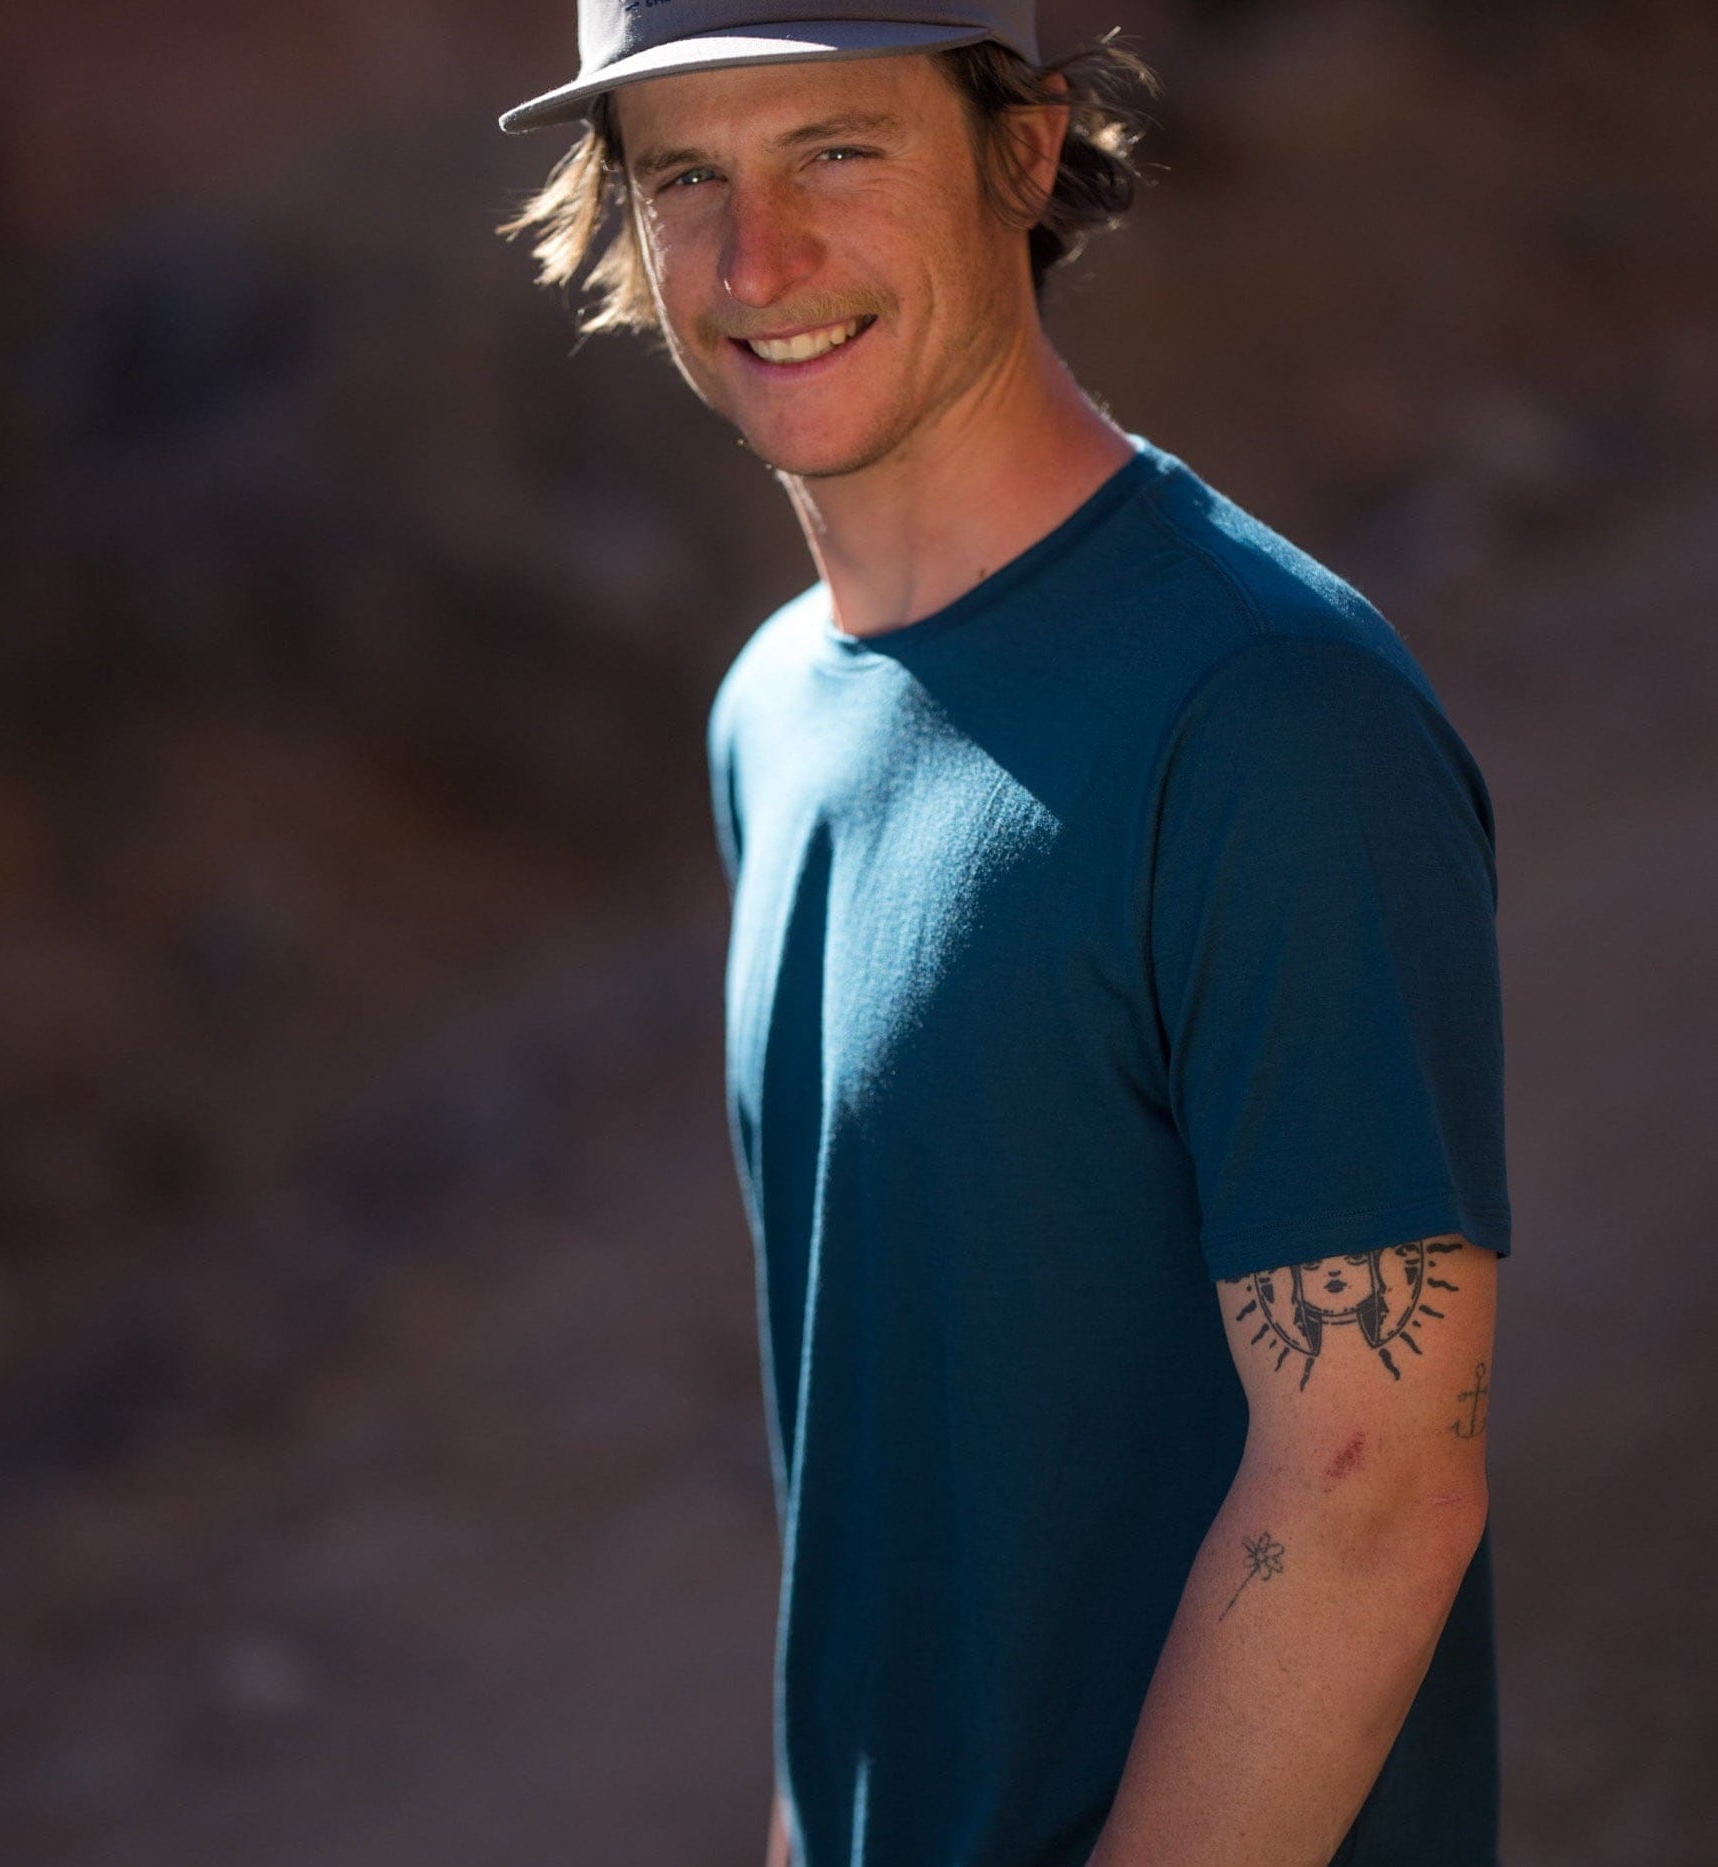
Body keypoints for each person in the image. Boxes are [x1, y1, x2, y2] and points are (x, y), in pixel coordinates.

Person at [498, 7, 1513, 1865]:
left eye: (837, 151)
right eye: (685, 177)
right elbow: (880, 1459)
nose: (759, 259)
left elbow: (1371, 1501)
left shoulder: (1266, 721)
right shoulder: (774, 713)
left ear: (1026, 149)